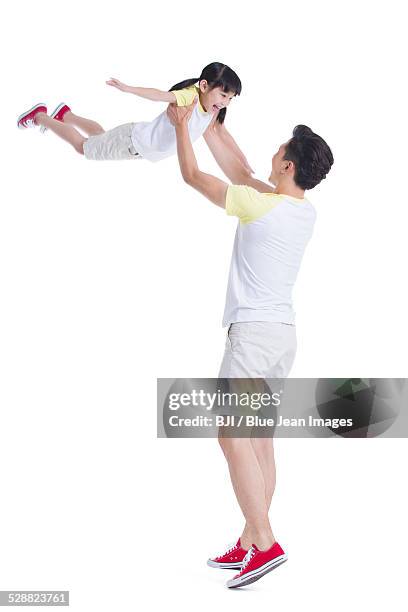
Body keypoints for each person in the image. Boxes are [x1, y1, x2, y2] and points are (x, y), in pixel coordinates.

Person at [167, 99, 334, 589]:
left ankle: (264, 541)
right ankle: (249, 535)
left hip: (254, 337)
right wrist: (212, 125)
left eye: (280, 147)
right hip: (281, 337)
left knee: (232, 436)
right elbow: (240, 168)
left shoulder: (260, 205)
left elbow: (194, 177)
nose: (274, 149)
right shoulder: (301, 210)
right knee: (258, 438)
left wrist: (182, 129)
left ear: (287, 163)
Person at [16, 62, 251, 168]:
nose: (226, 102)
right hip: (134, 142)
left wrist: (243, 161)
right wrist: (128, 88)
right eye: (223, 95)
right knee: (84, 147)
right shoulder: (189, 97)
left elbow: (223, 134)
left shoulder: (213, 110)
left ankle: (66, 115)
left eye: (230, 98)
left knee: (100, 136)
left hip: (139, 146)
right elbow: (159, 95)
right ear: (204, 85)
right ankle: (41, 117)